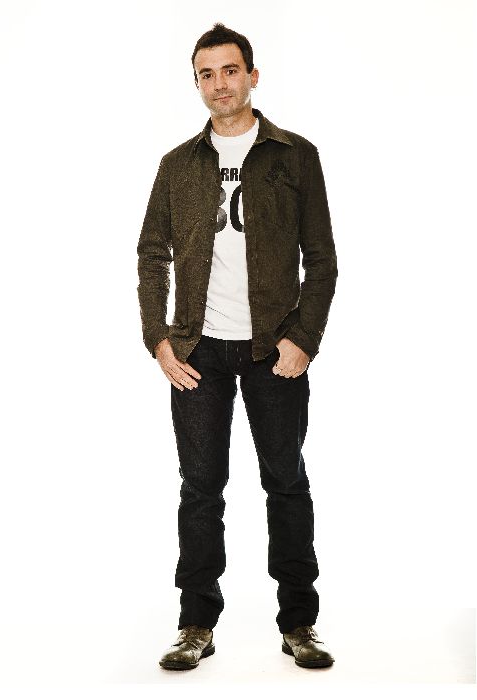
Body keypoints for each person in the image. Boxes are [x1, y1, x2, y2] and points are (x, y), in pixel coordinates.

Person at [137, 22, 338, 671]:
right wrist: (159, 339)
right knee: (200, 488)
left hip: (273, 351)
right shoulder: (177, 165)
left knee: (286, 481)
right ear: (196, 83)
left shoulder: (294, 156)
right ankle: (195, 623)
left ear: (252, 75)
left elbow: (322, 259)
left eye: (230, 70)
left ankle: (299, 622)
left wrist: (302, 339)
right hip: (198, 352)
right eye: (207, 74)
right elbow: (151, 254)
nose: (219, 84)